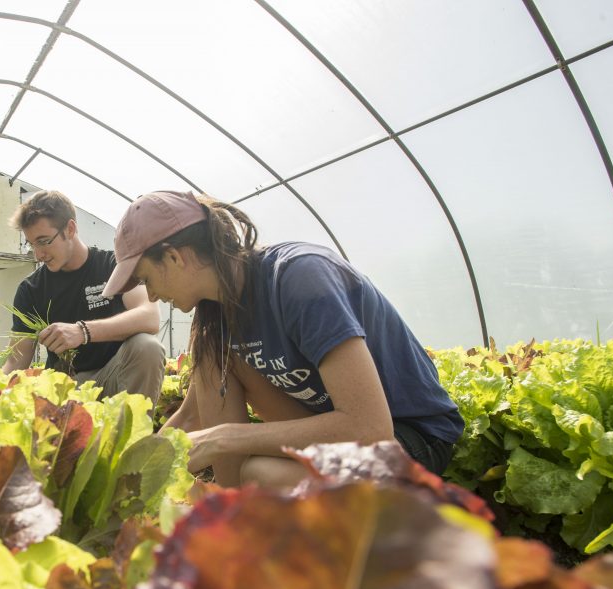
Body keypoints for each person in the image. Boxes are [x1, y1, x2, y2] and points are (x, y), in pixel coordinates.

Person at [101, 190, 465, 489]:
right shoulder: (215, 315)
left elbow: (371, 430)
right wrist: (128, 476)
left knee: (261, 475)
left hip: (410, 438)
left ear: (174, 257)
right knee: (213, 357)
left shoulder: (299, 278)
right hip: (336, 434)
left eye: (147, 279)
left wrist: (224, 437)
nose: (149, 297)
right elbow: (193, 414)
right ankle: (233, 516)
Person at [0, 190, 165, 405]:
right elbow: (17, 359)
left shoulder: (112, 266)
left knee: (147, 347)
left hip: (114, 378)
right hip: (66, 388)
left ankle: (134, 433)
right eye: (32, 244)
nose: (38, 255)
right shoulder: (31, 289)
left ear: (70, 229)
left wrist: (82, 331)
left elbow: (150, 316)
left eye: (44, 241)